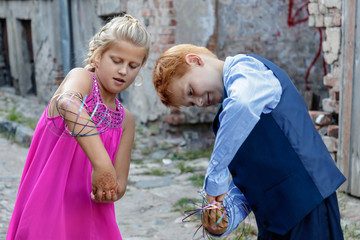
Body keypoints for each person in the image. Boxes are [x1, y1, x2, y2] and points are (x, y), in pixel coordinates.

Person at [152, 44, 346, 239]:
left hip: (308, 207)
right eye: (192, 104)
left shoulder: (247, 70)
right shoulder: (228, 117)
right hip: (275, 222)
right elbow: (248, 179)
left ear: (195, 60)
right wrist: (226, 218)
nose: (200, 103)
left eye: (191, 91)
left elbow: (243, 104)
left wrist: (215, 176)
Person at [6, 14, 151, 240]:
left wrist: (111, 189)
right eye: (116, 60)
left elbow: (119, 181)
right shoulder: (81, 80)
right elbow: (67, 103)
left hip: (91, 216)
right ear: (97, 55)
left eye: (133, 65)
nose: (124, 71)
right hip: (48, 206)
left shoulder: (126, 121)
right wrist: (102, 165)